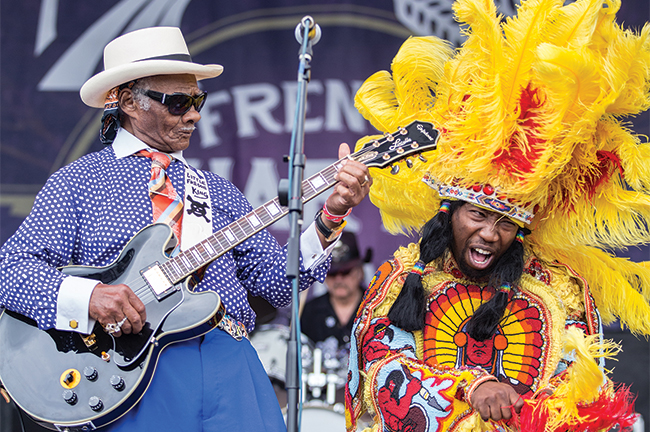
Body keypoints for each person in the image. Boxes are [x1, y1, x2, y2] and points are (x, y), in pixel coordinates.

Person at [0, 26, 372, 431]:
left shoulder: (217, 191)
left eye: (198, 99)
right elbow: (12, 270)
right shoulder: (79, 182)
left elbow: (279, 283)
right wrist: (91, 296)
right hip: (134, 371)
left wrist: (330, 215)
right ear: (128, 102)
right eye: (178, 101)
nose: (194, 113)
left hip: (229, 362)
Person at [344, 1, 650, 431]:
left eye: (506, 222)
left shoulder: (557, 289)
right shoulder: (402, 276)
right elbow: (377, 367)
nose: (490, 234)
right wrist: (472, 388)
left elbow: (577, 382)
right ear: (449, 211)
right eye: (478, 215)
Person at [301, 231, 372, 351]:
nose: (338, 279)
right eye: (332, 273)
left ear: (360, 272)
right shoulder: (308, 312)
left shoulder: (377, 309)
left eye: (346, 272)